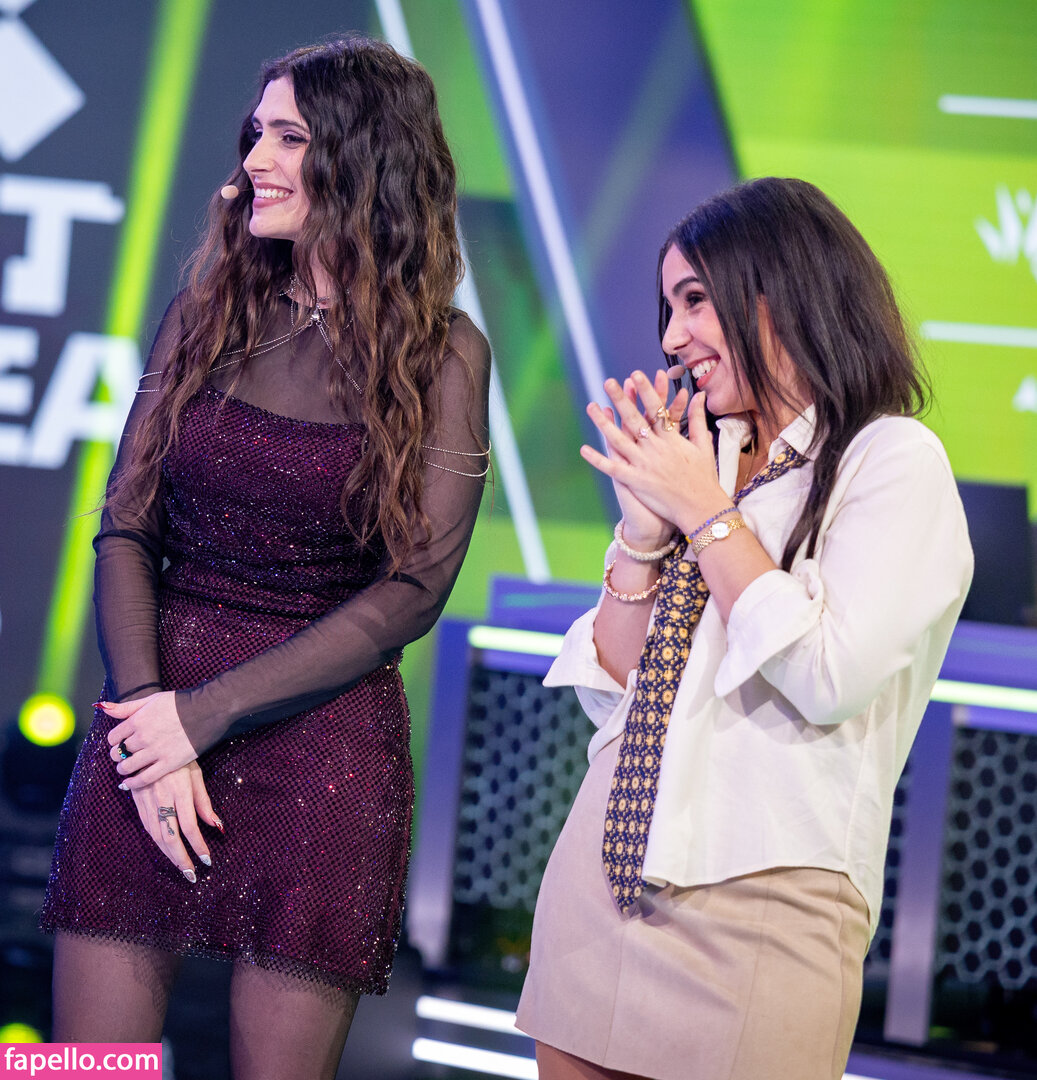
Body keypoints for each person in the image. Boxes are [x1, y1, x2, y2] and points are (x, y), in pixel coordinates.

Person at [41, 36, 490, 1079]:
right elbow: (125, 527)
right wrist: (151, 720)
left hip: (322, 750)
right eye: (256, 135)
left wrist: (206, 715)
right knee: (79, 1069)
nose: (253, 162)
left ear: (362, 158)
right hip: (148, 725)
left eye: (287, 138)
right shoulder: (207, 313)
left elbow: (415, 589)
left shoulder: (444, 353)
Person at [515, 177, 972, 1080]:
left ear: (784, 291)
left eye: (696, 300)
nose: (671, 337)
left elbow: (827, 678)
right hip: (599, 885)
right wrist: (642, 537)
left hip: (767, 907)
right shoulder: (708, 459)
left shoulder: (889, 459)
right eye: (668, 307)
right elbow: (619, 690)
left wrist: (704, 513)